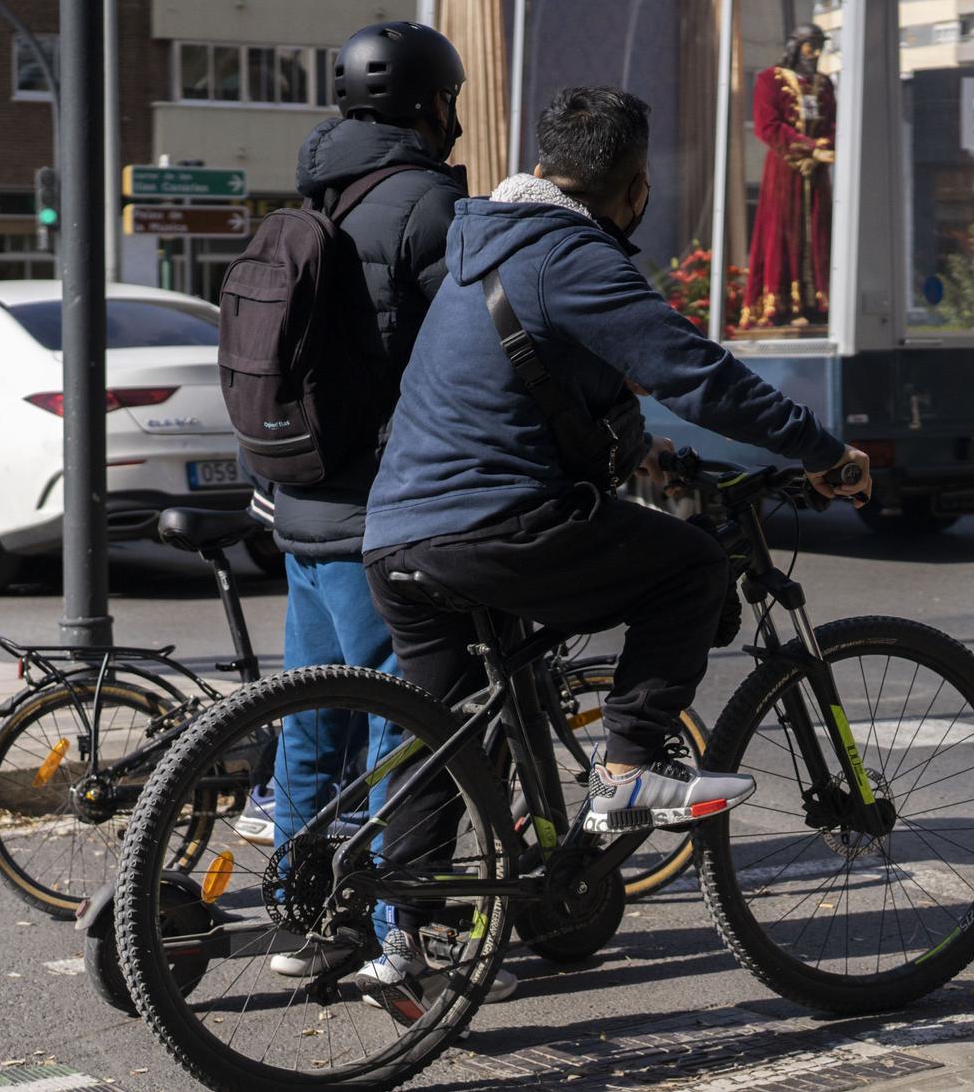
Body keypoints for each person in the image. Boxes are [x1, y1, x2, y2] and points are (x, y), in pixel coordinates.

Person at [364, 84, 868, 862]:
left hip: (397, 531)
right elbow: (697, 374)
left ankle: (409, 938)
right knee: (692, 567)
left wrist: (643, 451)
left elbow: (542, 388)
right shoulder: (568, 254)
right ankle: (629, 770)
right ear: (636, 190)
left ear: (540, 163)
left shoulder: (481, 244)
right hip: (492, 524)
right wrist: (823, 451)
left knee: (447, 738)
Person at [234, 21, 514, 1001]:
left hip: (300, 503)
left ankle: (300, 922)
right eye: (450, 99)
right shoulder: (433, 205)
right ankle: (410, 937)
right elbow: (486, 348)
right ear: (430, 106)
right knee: (413, 727)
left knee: (313, 720)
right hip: (385, 513)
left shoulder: (315, 196)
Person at [739, 24, 836, 331]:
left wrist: (824, 150)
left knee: (818, 231)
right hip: (783, 171)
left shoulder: (825, 84)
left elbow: (834, 123)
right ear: (796, 46)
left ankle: (816, 303)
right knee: (783, 231)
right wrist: (808, 150)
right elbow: (767, 125)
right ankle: (781, 305)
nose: (816, 53)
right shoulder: (769, 79)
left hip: (818, 174)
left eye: (820, 46)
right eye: (811, 46)